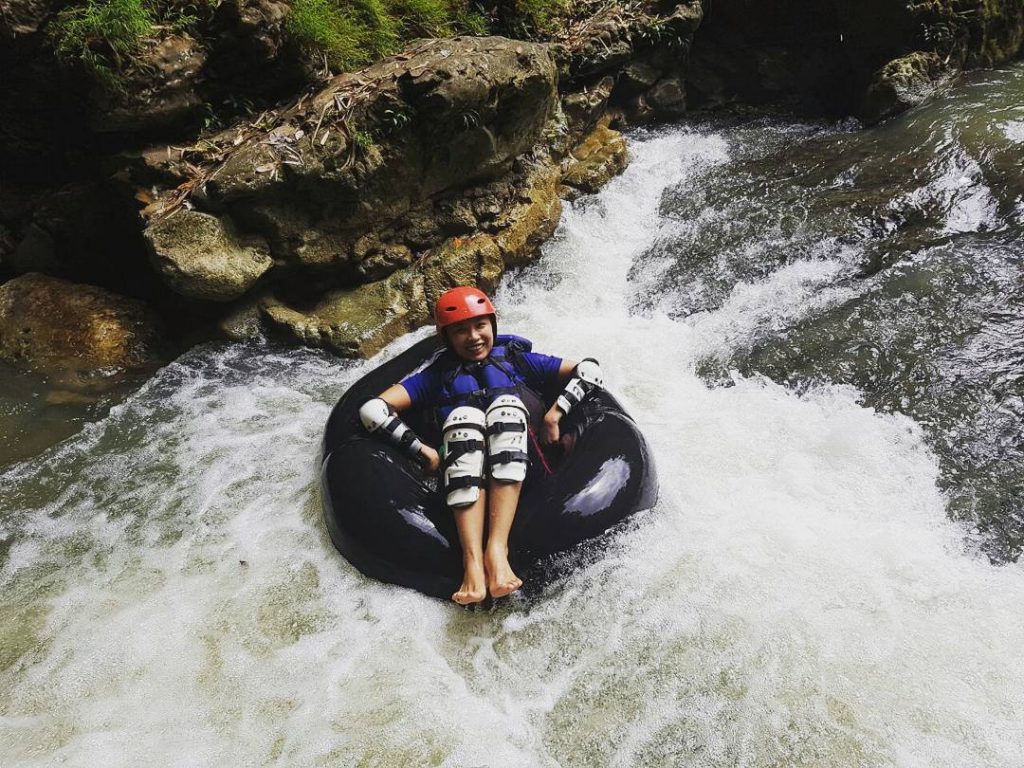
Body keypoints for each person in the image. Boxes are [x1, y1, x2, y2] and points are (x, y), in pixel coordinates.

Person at [357, 286, 605, 604]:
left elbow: (590, 370)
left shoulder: (518, 362)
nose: (473, 337)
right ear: (446, 338)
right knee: (463, 419)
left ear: (492, 326)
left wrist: (556, 414)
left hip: (527, 470)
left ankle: (497, 551)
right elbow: (371, 410)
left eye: (480, 326)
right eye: (460, 330)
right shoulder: (435, 377)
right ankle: (472, 561)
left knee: (505, 410)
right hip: (464, 472)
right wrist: (423, 451)